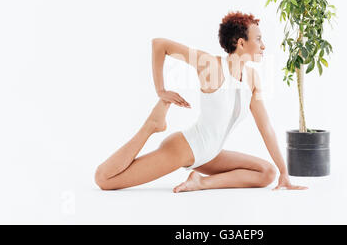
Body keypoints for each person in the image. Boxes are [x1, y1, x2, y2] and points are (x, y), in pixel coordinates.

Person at [94, 11, 308, 192]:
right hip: (185, 148)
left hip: (211, 154)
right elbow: (160, 45)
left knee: (267, 173)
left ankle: (201, 182)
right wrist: (161, 90)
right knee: (104, 180)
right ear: (241, 43)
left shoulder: (252, 79)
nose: (263, 46)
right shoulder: (211, 66)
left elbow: (267, 128)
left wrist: (284, 173)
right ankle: (152, 125)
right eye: (259, 39)